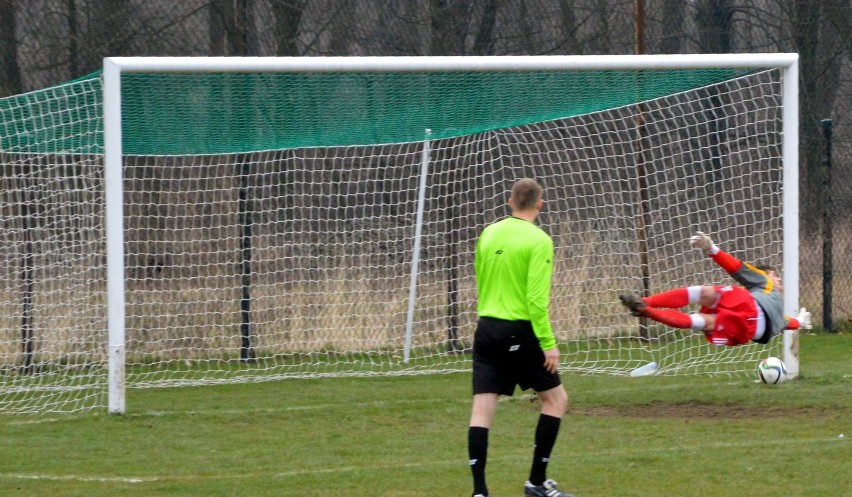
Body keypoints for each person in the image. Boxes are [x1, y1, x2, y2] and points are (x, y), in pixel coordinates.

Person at [468, 178, 575, 497]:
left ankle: (479, 491)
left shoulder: (489, 232)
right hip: (519, 330)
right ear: (539, 205)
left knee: (481, 410)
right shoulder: (539, 239)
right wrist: (548, 342)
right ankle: (537, 482)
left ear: (509, 202)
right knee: (556, 400)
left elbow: (481, 278)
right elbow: (536, 301)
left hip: (486, 328)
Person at [619, 231, 811, 346]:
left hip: (748, 323)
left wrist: (800, 321)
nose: (777, 279)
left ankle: (646, 308)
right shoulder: (764, 283)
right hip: (748, 308)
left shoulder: (778, 314)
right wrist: (712, 249)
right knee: (706, 299)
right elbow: (737, 267)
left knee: (706, 316)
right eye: (774, 274)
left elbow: (789, 323)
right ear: (765, 275)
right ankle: (644, 306)